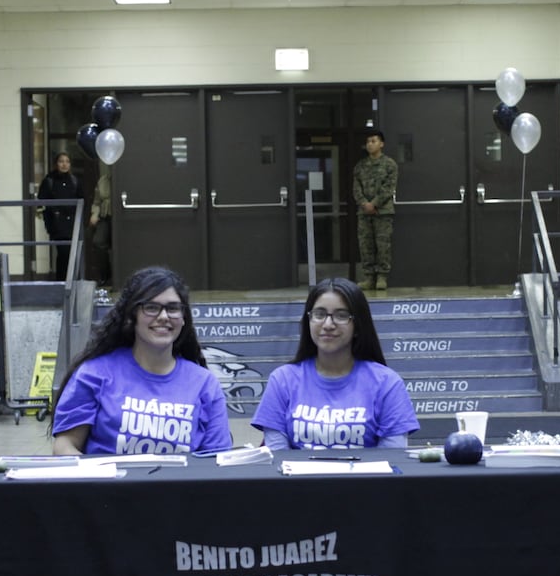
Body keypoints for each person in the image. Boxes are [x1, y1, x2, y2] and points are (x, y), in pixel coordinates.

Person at [52, 266, 233, 455]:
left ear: (184, 317)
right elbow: (64, 447)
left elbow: (218, 460)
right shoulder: (93, 374)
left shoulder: (205, 383)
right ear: (132, 316)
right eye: (151, 307)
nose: (163, 317)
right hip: (109, 484)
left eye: (173, 308)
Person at [251, 277, 418, 450]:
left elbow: (393, 461)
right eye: (319, 314)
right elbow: (277, 459)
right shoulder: (282, 380)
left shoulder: (387, 383)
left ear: (358, 325)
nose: (328, 324)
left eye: (341, 315)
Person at [352, 128, 398, 291]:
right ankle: (369, 277)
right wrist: (365, 204)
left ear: (381, 144)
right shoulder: (360, 166)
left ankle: (382, 277)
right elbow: (356, 188)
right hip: (364, 212)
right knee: (366, 245)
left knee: (382, 244)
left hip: (383, 211)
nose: (370, 145)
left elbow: (389, 187)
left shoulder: (390, 164)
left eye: (373, 141)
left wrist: (375, 203)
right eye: (368, 142)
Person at [37, 152, 81, 280]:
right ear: (56, 164)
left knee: (72, 253)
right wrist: (49, 224)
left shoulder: (74, 181)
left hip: (73, 223)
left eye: (67, 161)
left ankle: (72, 281)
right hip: (57, 224)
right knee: (63, 253)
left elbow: (82, 201)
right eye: (61, 161)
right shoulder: (49, 181)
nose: (64, 164)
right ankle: (62, 281)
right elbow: (42, 204)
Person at [89, 165, 113, 287]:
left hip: (121, 217)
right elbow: (97, 201)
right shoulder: (103, 180)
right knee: (98, 242)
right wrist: (94, 214)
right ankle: (105, 275)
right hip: (105, 216)